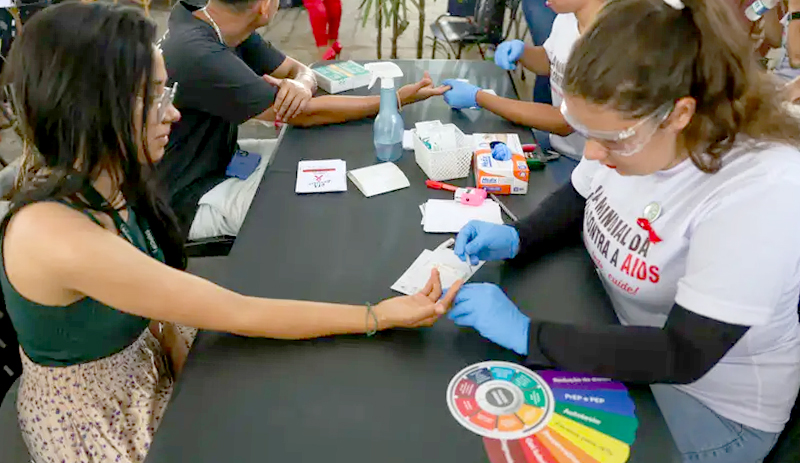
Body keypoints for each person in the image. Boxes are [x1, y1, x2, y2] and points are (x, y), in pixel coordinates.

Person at [0, 5, 460, 462]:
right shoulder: (57, 236)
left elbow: (165, 307)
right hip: (101, 415)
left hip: (148, 350)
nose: (173, 113)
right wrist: (376, 316)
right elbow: (236, 311)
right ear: (94, 106)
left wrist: (175, 346)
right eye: (154, 97)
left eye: (167, 91)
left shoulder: (114, 176)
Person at [447, 0, 800, 461]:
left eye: (610, 139)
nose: (592, 153)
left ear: (678, 115)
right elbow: (579, 195)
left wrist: (529, 335)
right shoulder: (633, 133)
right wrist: (520, 237)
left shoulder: (760, 189)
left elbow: (683, 353)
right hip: (619, 335)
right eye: (584, 130)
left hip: (707, 408)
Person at [159, 0, 447, 240]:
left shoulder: (214, 19)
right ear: (264, 6)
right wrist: (394, 99)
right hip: (186, 197)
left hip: (219, 158)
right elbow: (303, 114)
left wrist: (302, 83)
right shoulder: (200, 54)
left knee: (319, 159)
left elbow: (298, 70)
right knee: (315, 205)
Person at [440, 0, 606, 181]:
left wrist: (479, 97)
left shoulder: (608, 41)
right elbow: (550, 61)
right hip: (556, 145)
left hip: (586, 165)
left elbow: (564, 121)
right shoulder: (567, 17)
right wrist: (522, 52)